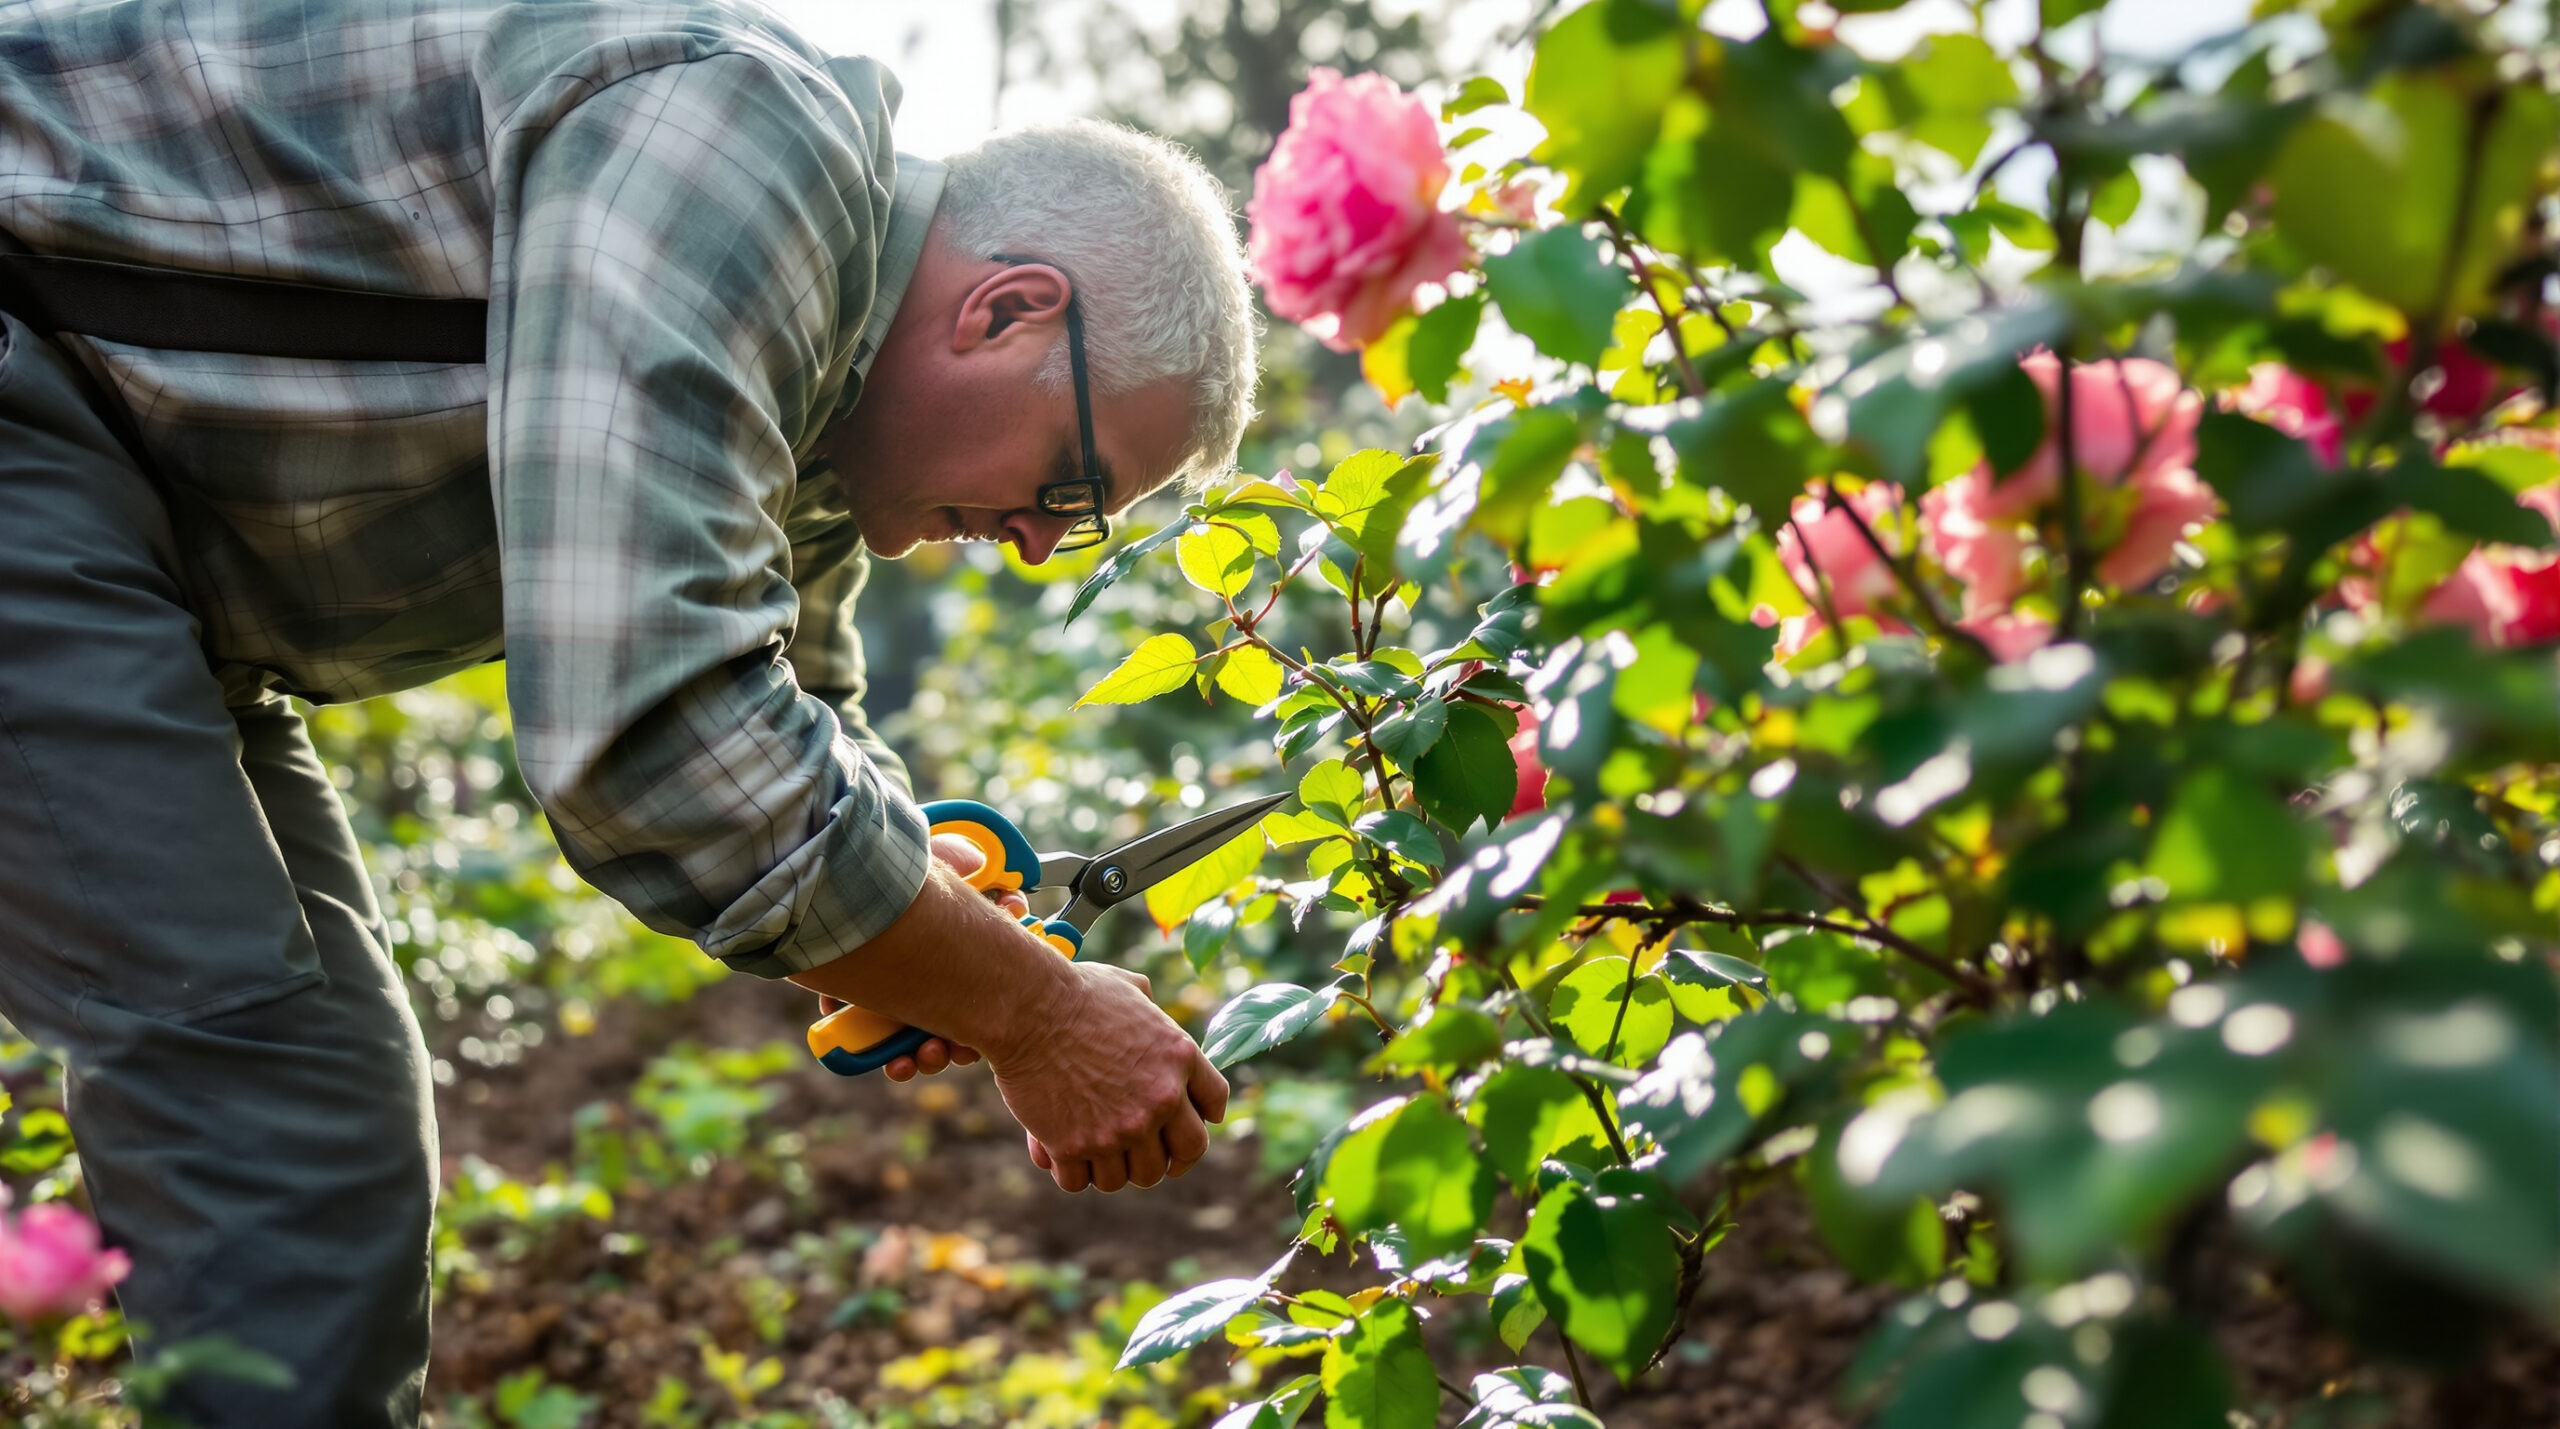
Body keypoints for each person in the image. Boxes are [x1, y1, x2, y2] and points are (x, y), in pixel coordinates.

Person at [0, 0, 1259, 1423]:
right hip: (32, 394)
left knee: (329, 1115)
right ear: (1006, 308)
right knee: (260, 1099)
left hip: (134, 549)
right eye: (1074, 485)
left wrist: (933, 917)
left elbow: (796, 703)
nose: (1038, 544)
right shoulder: (741, 141)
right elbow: (657, 737)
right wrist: (1032, 1010)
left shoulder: (822, 419)